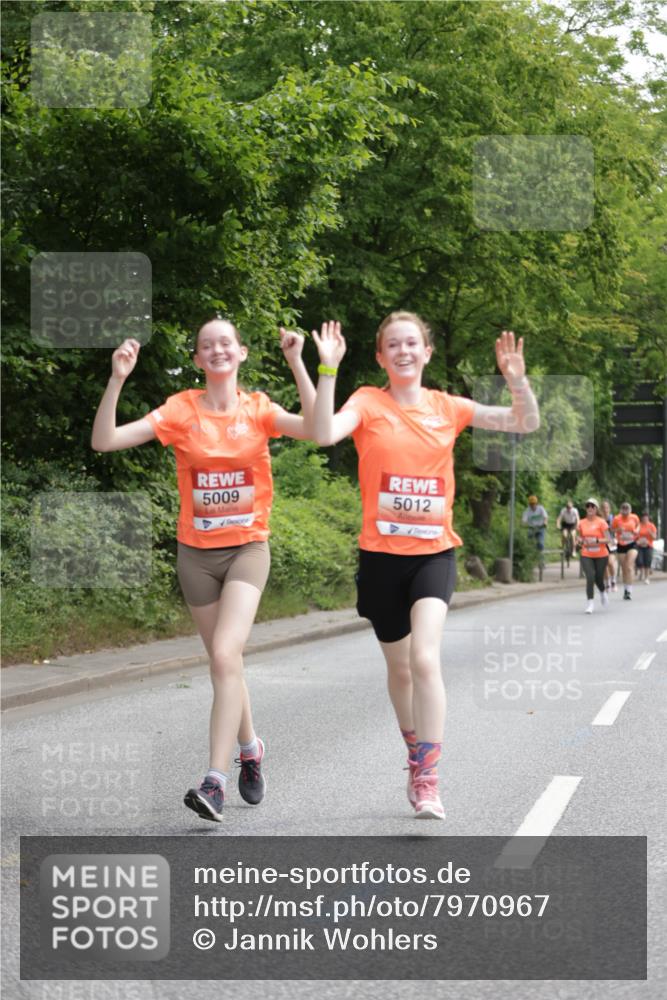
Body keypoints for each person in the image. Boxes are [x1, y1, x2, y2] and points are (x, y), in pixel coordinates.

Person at [310, 314, 539, 820]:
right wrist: (328, 371)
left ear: (427, 352)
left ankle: (429, 778)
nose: (404, 351)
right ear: (380, 356)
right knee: (399, 669)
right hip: (380, 559)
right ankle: (414, 754)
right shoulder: (368, 402)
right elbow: (324, 434)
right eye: (393, 344)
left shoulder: (447, 407)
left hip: (434, 554)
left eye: (412, 343)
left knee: (426, 661)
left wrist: (517, 380)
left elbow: (525, 422)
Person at [91, 319, 317, 822]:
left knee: (223, 653)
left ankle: (214, 781)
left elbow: (319, 431)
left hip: (246, 550)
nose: (217, 350)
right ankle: (252, 748)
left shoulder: (258, 409)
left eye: (225, 343)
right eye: (206, 345)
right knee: (226, 663)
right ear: (198, 359)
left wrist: (300, 362)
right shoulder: (181, 410)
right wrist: (117, 378)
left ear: (241, 353)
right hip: (195, 556)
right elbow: (103, 441)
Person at [575, 499, 611, 613]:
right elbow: (579, 537)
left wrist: (596, 540)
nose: (590, 508)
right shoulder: (581, 522)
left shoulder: (602, 522)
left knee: (598, 578)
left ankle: (603, 592)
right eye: (588, 506)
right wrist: (579, 541)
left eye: (592, 506)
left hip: (601, 554)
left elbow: (608, 539)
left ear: (596, 509)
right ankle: (590, 604)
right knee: (590, 577)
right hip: (586, 553)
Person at [612, 501, 640, 600]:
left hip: (632, 543)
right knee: (624, 568)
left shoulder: (634, 517)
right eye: (623, 509)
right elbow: (612, 530)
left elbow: (638, 526)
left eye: (627, 509)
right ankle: (625, 589)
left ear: (630, 510)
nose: (625, 511)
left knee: (629, 565)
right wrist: (617, 531)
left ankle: (629, 590)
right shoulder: (616, 518)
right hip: (621, 544)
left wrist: (637, 530)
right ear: (621, 510)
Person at [600, 499, 618, 592]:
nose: (605, 509)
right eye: (603, 508)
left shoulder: (613, 518)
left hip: (611, 544)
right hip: (602, 544)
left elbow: (618, 529)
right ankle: (607, 584)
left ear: (609, 509)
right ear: (600, 509)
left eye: (606, 507)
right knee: (604, 565)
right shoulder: (598, 520)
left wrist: (614, 530)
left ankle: (613, 581)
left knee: (610, 563)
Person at [636, 511, 657, 584]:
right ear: (641, 518)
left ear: (648, 518)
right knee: (639, 560)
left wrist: (650, 532)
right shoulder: (639, 525)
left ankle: (647, 577)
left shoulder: (651, 526)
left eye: (646, 517)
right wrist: (638, 540)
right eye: (643, 517)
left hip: (648, 546)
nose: (644, 519)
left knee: (647, 562)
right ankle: (641, 573)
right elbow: (635, 534)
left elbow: (654, 537)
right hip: (640, 545)